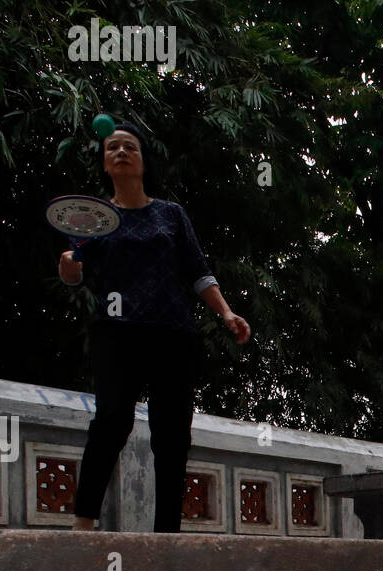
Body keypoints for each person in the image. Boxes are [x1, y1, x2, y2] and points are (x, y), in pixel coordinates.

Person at [61, 124, 250, 533]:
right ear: (106, 163)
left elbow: (198, 271)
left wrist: (227, 313)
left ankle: (167, 533)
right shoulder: (95, 218)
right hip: (116, 332)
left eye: (130, 146)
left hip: (172, 332)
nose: (122, 151)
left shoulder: (171, 214)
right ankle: (82, 522)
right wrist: (67, 266)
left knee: (172, 433)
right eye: (113, 147)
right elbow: (75, 275)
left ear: (143, 162)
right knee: (111, 420)